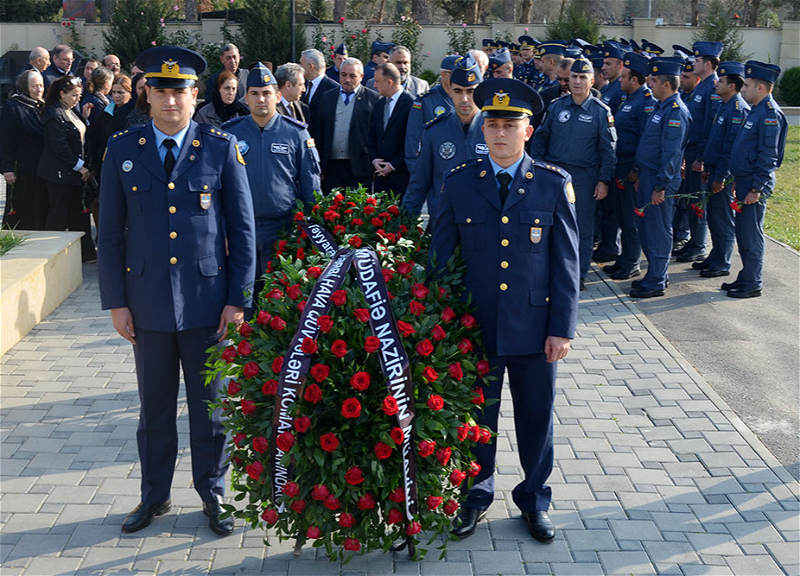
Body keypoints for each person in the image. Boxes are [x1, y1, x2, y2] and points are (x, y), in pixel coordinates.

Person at [97, 46, 256, 536]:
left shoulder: (220, 147)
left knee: (211, 411)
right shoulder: (124, 150)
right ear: (147, 94)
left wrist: (239, 298)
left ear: (194, 96)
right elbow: (110, 232)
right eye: (161, 91)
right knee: (155, 410)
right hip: (146, 304)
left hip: (208, 303)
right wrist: (115, 301)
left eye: (180, 92)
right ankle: (154, 496)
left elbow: (243, 229)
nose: (170, 101)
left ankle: (214, 496)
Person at [429, 77, 579, 543]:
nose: (499, 133)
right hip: (477, 326)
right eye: (492, 124)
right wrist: (441, 325)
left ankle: (535, 500)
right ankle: (474, 496)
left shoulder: (553, 184)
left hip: (536, 329)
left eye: (510, 125)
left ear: (528, 131)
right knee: (478, 422)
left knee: (536, 417)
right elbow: (440, 260)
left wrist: (562, 329)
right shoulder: (460, 184)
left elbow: (567, 264)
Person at [224, 62, 320, 293]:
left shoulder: (296, 133)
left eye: (267, 93)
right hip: (239, 227)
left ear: (277, 96)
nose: (261, 99)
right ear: (245, 98)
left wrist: (313, 228)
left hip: (282, 227)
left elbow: (310, 183)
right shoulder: (230, 133)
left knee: (277, 294)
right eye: (254, 94)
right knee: (241, 292)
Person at [531, 58, 617, 290]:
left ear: (592, 81)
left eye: (582, 78)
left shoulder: (601, 112)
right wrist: (539, 168)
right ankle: (551, 270)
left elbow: (608, 149)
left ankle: (577, 275)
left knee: (581, 227)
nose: (577, 82)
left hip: (584, 177)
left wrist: (603, 180)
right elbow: (540, 138)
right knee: (551, 223)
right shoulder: (557, 106)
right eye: (574, 77)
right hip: (555, 174)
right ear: (568, 80)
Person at [629, 57, 692, 298]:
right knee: (647, 228)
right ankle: (656, 275)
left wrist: (660, 185)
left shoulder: (676, 112)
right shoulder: (661, 106)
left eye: (653, 80)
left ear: (666, 84)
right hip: (648, 177)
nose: (649, 84)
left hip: (659, 180)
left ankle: (656, 281)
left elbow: (672, 153)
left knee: (658, 230)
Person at [724, 61, 788, 298]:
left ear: (760, 88)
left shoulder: (770, 115)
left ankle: (753, 282)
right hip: (744, 182)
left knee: (752, 233)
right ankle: (746, 276)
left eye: (748, 85)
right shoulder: (756, 111)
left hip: (753, 185)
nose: (743, 89)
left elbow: (769, 156)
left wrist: (756, 187)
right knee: (743, 232)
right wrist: (736, 180)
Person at [402, 55, 487, 227]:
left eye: (470, 91)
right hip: (443, 224)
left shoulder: (494, 130)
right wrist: (402, 228)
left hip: (484, 226)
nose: (464, 99)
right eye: (458, 91)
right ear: (449, 90)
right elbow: (418, 185)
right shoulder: (435, 131)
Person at [603, 53, 656, 280]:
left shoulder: (645, 103)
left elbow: (646, 140)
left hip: (631, 168)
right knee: (623, 217)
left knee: (632, 219)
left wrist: (637, 169)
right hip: (620, 165)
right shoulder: (629, 99)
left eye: (624, 77)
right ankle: (624, 258)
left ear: (635, 80)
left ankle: (633, 261)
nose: (620, 81)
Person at [695, 62, 749, 279]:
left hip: (723, 176)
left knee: (723, 219)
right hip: (714, 170)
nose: (716, 82)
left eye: (722, 81)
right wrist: (708, 168)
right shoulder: (724, 105)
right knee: (714, 218)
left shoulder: (738, 110)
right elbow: (715, 141)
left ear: (732, 86)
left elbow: (730, 149)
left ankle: (723, 262)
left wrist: (721, 177)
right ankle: (715, 255)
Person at [674, 41, 724, 264]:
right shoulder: (702, 86)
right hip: (691, 151)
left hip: (698, 154)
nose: (693, 63)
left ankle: (699, 245)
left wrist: (701, 158)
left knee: (698, 201)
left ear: (708, 63)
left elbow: (710, 128)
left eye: (697, 60)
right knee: (691, 200)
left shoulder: (713, 88)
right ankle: (693, 243)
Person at [37, 75, 95, 261]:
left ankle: (84, 253)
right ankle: (50, 255)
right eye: (74, 95)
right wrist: (81, 167)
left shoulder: (70, 110)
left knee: (77, 214)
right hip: (59, 174)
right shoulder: (55, 114)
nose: (78, 99)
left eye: (80, 95)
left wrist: (85, 119)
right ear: (62, 94)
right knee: (58, 214)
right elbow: (60, 146)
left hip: (72, 173)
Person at [315, 57, 379, 194]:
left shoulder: (373, 99)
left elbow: (376, 134)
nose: (347, 79)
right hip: (331, 166)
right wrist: (319, 164)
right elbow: (319, 132)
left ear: (361, 77)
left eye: (352, 76)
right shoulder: (327, 97)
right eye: (343, 75)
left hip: (360, 167)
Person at [1, 70, 46, 230]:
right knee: (22, 208)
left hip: (40, 168)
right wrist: (6, 169)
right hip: (22, 170)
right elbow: (6, 140)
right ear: (24, 87)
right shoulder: (13, 107)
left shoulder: (40, 106)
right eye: (34, 86)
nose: (39, 89)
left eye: (41, 85)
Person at [404, 55, 458, 175]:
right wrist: (416, 172)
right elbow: (413, 138)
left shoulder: (466, 100)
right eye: (456, 74)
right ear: (444, 75)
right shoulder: (426, 100)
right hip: (432, 167)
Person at [369, 62, 413, 197]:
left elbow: (412, 141)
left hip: (401, 177)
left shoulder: (411, 104)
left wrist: (394, 165)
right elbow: (373, 135)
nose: (374, 85)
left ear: (389, 82)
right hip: (380, 176)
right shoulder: (379, 104)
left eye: (377, 81)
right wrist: (375, 159)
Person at [672, 59, 701, 253]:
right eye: (681, 76)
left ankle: (688, 238)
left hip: (693, 154)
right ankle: (681, 235)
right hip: (684, 153)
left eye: (686, 77)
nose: (682, 80)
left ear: (697, 79)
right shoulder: (684, 95)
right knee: (681, 197)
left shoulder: (701, 95)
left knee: (690, 200)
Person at [300, 48, 339, 136]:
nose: (299, 67)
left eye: (301, 64)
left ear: (310, 66)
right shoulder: (302, 84)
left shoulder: (333, 88)